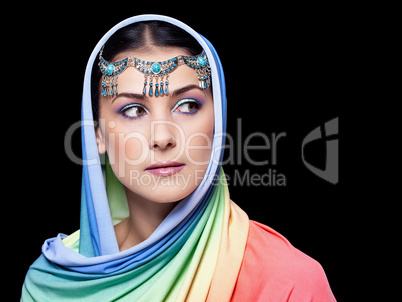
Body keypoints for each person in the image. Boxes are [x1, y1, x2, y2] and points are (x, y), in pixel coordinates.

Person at [21, 15, 336, 301]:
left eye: (187, 106)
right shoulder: (52, 284)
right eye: (133, 111)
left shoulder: (289, 282)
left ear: (219, 120)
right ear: (97, 136)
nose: (162, 138)